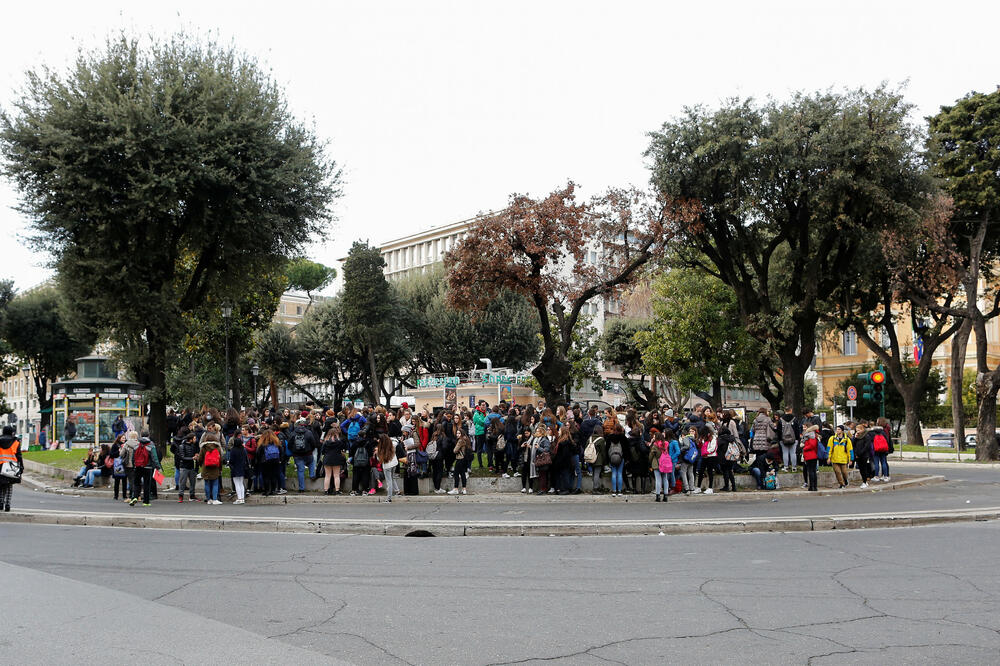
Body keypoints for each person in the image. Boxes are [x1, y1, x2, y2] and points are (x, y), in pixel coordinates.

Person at [130, 435, 160, 507]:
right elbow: (154, 458)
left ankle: (135, 497)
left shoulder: (136, 447)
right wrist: (157, 466)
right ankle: (146, 501)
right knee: (147, 484)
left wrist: (134, 465)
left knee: (137, 483)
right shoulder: (150, 447)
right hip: (148, 467)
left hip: (138, 467)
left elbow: (133, 458)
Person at [289, 418, 318, 492]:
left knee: (300, 470)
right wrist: (310, 450)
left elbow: (289, 444)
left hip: (297, 455)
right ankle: (312, 475)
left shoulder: (293, 433)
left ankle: (301, 488)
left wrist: (293, 451)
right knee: (311, 462)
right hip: (308, 453)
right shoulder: (308, 432)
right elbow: (313, 444)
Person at [0, 426, 23, 511]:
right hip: (11, 467)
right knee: (9, 486)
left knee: (1, 485)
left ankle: (1, 503)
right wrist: (21, 467)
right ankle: (8, 505)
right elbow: (19, 455)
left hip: (0, 465)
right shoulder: (15, 442)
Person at [198, 431, 225, 505]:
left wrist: (201, 465)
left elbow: (200, 458)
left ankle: (208, 499)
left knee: (207, 483)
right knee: (215, 484)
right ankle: (215, 499)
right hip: (215, 468)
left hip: (205, 468)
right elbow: (220, 459)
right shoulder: (217, 447)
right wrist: (220, 468)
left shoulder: (203, 447)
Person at [320, 423, 347, 495]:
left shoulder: (326, 442)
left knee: (327, 475)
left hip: (327, 458)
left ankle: (326, 490)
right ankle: (337, 490)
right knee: (336, 475)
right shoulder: (339, 442)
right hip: (337, 458)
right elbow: (342, 450)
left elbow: (322, 451)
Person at [175, 430, 199, 502]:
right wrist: (192, 458)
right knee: (182, 482)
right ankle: (181, 496)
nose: (195, 440)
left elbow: (194, 453)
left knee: (193, 482)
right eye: (194, 438)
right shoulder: (182, 446)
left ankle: (192, 495)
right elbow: (182, 457)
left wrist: (196, 455)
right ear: (190, 439)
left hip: (191, 466)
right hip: (184, 467)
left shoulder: (194, 446)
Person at [649, 432, 673, 502]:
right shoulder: (666, 444)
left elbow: (651, 455)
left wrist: (650, 461)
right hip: (665, 464)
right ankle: (665, 496)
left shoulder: (655, 445)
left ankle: (658, 496)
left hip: (657, 464)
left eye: (654, 437)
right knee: (665, 479)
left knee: (658, 480)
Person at [697, 426, 719, 494]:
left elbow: (713, 448)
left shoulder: (713, 438)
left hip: (711, 457)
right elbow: (701, 446)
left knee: (710, 472)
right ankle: (698, 487)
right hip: (704, 457)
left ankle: (710, 488)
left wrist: (706, 452)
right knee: (701, 471)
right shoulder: (704, 438)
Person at [376, 434, 399, 501]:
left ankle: (389, 498)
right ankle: (397, 491)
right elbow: (396, 441)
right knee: (392, 478)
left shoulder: (380, 448)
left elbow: (378, 459)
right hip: (394, 463)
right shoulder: (392, 444)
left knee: (389, 482)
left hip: (387, 466)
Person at [585, 425, 607, 494]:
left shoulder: (590, 438)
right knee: (597, 474)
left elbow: (586, 447)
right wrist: (604, 460)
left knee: (594, 473)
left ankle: (595, 487)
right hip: (598, 459)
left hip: (591, 458)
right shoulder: (601, 439)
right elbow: (603, 451)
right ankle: (596, 489)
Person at [870, 417, 893, 482]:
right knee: (883, 462)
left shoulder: (872, 432)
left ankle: (876, 476)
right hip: (883, 449)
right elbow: (887, 440)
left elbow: (870, 441)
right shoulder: (883, 432)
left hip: (876, 449)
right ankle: (885, 476)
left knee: (876, 463)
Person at [677, 426, 698, 494]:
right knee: (690, 473)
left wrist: (681, 449)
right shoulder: (692, 439)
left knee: (683, 472)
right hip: (691, 458)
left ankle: (686, 488)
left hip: (686, 458)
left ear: (683, 435)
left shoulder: (686, 438)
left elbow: (687, 446)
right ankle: (691, 487)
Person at [228, 434, 248, 504]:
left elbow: (231, 460)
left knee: (237, 484)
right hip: (242, 468)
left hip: (235, 468)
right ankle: (242, 498)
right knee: (241, 483)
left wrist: (230, 465)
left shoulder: (233, 450)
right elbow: (246, 459)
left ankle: (239, 498)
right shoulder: (244, 450)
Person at [778, 406, 799, 472]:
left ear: (784, 410)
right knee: (793, 453)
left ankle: (786, 467)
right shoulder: (794, 419)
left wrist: (780, 439)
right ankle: (794, 467)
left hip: (783, 439)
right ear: (791, 410)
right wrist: (797, 439)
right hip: (793, 439)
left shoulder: (781, 420)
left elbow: (779, 430)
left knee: (785, 453)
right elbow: (797, 430)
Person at [853, 422, 874, 489]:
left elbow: (866, 446)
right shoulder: (857, 436)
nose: (857, 431)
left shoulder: (866, 436)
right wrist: (855, 438)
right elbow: (853, 445)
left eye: (859, 430)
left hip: (864, 455)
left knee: (864, 468)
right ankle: (864, 481)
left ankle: (864, 481)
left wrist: (860, 453)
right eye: (856, 430)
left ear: (862, 429)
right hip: (857, 454)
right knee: (861, 469)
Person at [801, 424, 820, 491]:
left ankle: (812, 486)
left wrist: (804, 448)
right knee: (813, 471)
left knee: (811, 471)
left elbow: (812, 445)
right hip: (812, 455)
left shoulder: (811, 436)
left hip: (810, 455)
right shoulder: (813, 435)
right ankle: (814, 486)